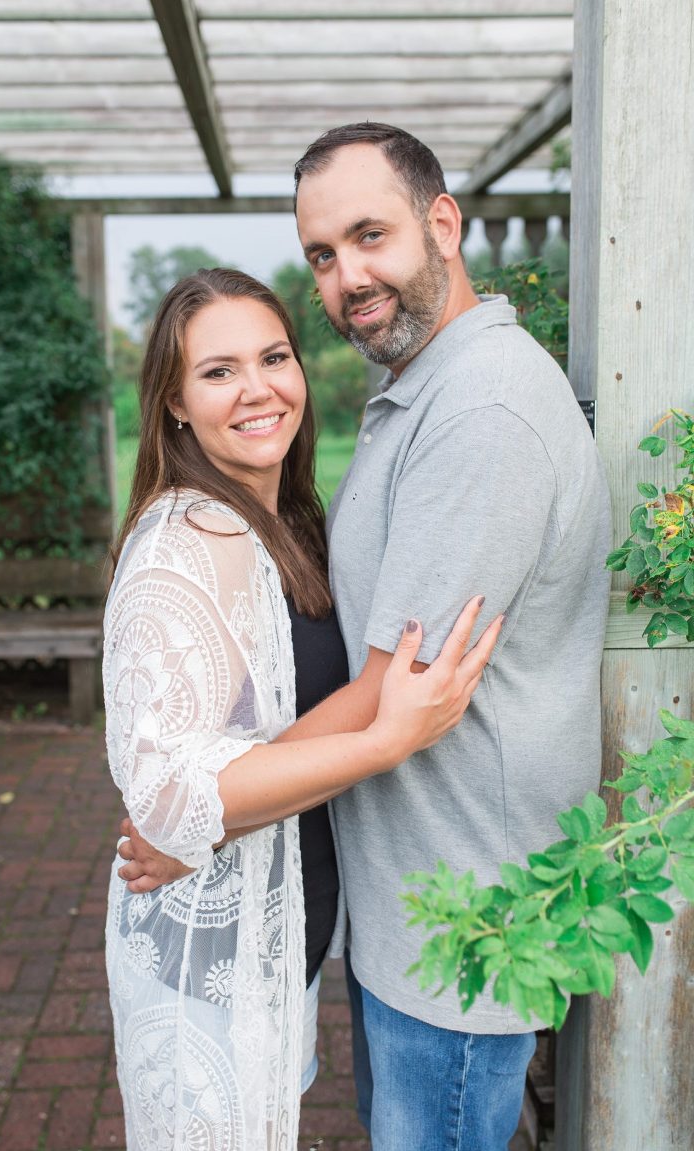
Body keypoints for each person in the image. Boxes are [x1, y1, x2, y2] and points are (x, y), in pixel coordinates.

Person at [120, 125, 612, 1150]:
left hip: (462, 922)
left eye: (369, 235)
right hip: (407, 907)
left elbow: (398, 696)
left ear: (443, 223)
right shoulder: (419, 389)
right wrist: (199, 804)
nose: (348, 276)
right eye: (322, 254)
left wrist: (198, 815)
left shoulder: (481, 412)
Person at [103, 266, 501, 1151]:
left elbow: (263, 746)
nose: (258, 389)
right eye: (218, 371)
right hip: (209, 961)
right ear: (173, 401)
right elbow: (167, 799)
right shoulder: (188, 544)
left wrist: (218, 818)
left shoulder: (282, 518)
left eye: (274, 356)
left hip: (275, 935)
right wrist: (388, 738)